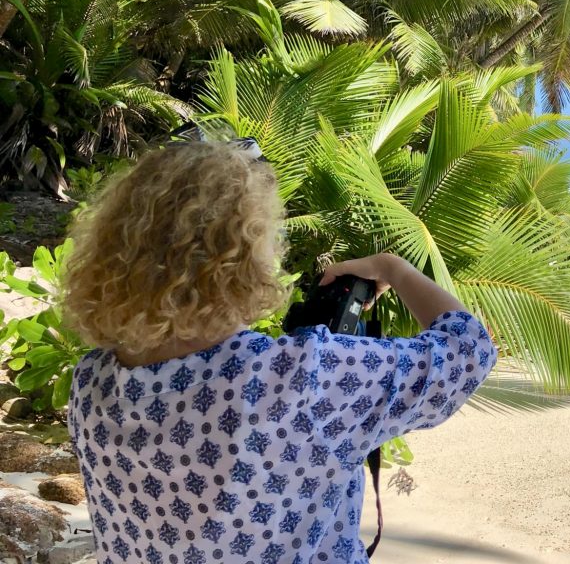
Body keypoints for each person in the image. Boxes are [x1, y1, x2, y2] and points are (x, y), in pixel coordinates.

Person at [61, 140, 498, 564]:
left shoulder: (90, 381)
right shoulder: (298, 377)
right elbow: (468, 350)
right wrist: (392, 267)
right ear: (243, 252)